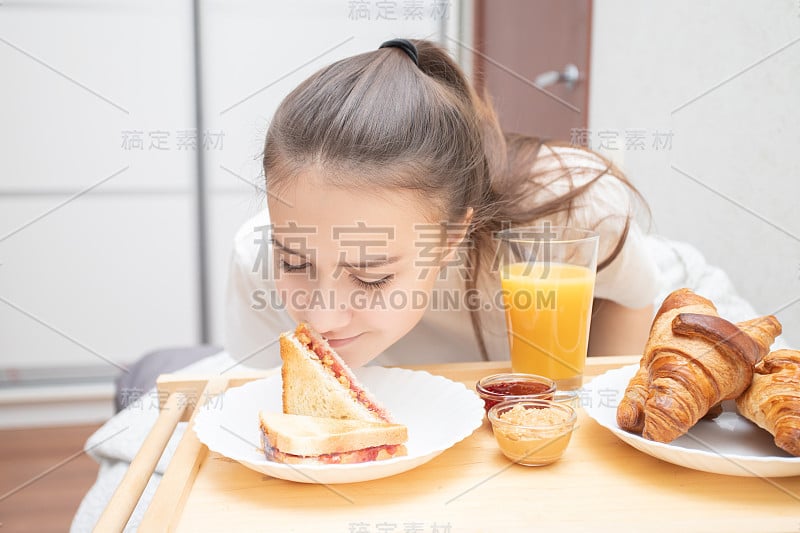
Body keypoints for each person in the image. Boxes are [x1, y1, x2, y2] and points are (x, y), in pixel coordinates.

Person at [224, 37, 661, 371]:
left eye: (371, 276)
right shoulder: (254, 259)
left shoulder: (573, 212)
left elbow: (632, 304)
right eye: (295, 265)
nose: (321, 319)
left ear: (451, 237)